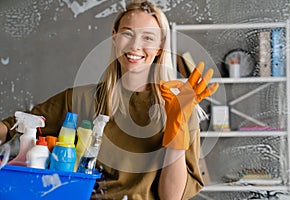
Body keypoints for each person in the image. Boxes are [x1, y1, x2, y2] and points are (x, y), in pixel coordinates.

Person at [0, 1, 218, 199]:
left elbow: (170, 197)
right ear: (114, 36)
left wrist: (176, 131)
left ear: (160, 46)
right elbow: (13, 125)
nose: (135, 46)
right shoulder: (80, 100)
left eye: (148, 37)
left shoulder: (180, 107)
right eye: (127, 34)